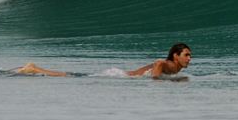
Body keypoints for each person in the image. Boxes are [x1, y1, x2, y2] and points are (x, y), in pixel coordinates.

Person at [14, 43, 192, 79]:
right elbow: (157, 70)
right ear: (175, 56)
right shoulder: (166, 63)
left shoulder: (176, 68)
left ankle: (34, 68)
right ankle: (35, 69)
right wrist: (165, 82)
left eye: (190, 55)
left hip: (122, 76)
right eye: (186, 55)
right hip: (119, 76)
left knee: (74, 76)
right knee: (72, 76)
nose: (189, 58)